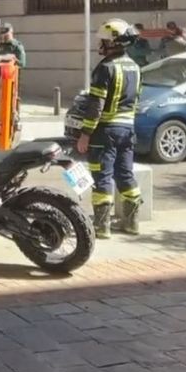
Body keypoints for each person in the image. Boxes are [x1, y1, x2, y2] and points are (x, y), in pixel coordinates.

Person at [76, 19, 143, 239]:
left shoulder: (105, 68)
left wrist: (85, 134)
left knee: (102, 177)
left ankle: (101, 226)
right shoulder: (135, 67)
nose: (101, 45)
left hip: (105, 132)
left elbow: (96, 105)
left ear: (114, 42)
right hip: (128, 130)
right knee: (125, 175)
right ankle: (132, 223)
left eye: (104, 40)